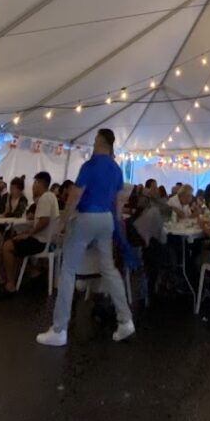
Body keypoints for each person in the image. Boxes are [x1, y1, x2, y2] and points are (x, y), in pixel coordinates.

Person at [36, 129, 134, 346]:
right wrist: (116, 224)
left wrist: (63, 221)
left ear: (100, 142)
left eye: (95, 140)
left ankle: (59, 329)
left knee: (68, 270)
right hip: (107, 219)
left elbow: (75, 196)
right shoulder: (117, 169)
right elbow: (118, 203)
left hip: (87, 217)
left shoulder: (89, 166)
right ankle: (125, 320)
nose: (93, 144)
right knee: (108, 269)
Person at [0, 172, 58, 294]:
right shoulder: (50, 197)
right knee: (16, 239)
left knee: (7, 246)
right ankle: (33, 272)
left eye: (34, 183)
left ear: (39, 183)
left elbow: (44, 221)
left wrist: (29, 234)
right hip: (47, 240)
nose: (33, 186)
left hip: (40, 241)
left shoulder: (45, 198)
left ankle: (10, 284)